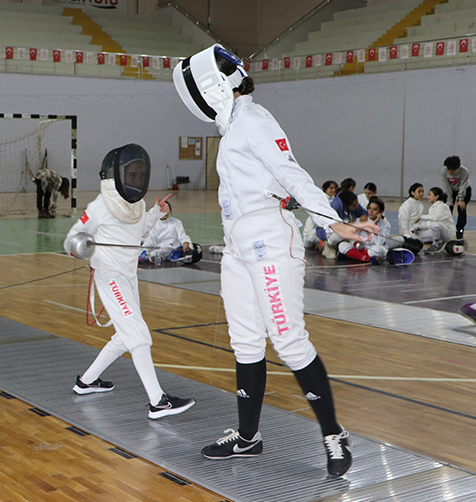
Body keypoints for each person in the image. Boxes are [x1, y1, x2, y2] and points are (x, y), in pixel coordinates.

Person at [173, 44, 378, 477]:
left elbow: (292, 173)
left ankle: (333, 434)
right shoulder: (234, 128)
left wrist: (331, 223)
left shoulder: (254, 120)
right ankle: (248, 439)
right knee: (245, 343)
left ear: (212, 88)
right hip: (237, 248)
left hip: (269, 240)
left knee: (288, 340)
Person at [64, 143, 195, 419]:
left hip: (128, 276)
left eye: (138, 174)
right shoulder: (99, 207)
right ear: (115, 176)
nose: (135, 180)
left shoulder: (137, 205)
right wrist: (82, 246)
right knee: (137, 334)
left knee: (125, 337)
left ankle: (86, 382)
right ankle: (158, 401)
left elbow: (139, 230)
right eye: (131, 174)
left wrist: (156, 213)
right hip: (110, 276)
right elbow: (72, 239)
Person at [337, 197, 391, 264]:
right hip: (360, 247)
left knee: (380, 250)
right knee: (342, 245)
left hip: (372, 249)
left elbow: (379, 242)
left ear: (381, 212)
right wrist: (356, 243)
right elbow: (353, 236)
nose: (371, 211)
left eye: (375, 209)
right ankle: (367, 259)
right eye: (370, 208)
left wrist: (374, 225)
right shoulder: (362, 220)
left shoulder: (385, 225)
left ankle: (353, 256)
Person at [417, 187, 456, 253]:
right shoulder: (432, 207)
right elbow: (429, 223)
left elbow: (435, 218)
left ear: (436, 196)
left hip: (448, 232)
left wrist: (421, 217)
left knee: (434, 224)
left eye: (429, 195)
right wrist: (418, 228)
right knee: (417, 235)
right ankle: (438, 241)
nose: (427, 197)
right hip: (438, 231)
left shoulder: (443, 206)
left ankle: (436, 244)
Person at [441, 156, 471, 239]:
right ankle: (446, 230)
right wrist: (449, 201)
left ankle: (460, 231)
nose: (450, 172)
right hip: (450, 190)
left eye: (452, 170)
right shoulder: (443, 171)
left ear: (458, 168)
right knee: (447, 208)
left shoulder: (464, 172)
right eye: (448, 169)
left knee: (461, 208)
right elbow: (446, 186)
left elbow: (463, 186)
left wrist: (461, 199)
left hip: (464, 190)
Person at [34, 150, 70, 218]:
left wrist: (49, 204)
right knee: (40, 194)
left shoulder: (54, 180)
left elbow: (50, 193)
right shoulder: (59, 181)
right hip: (42, 177)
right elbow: (55, 193)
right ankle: (41, 212)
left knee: (47, 194)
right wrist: (54, 204)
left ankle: (45, 210)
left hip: (41, 176)